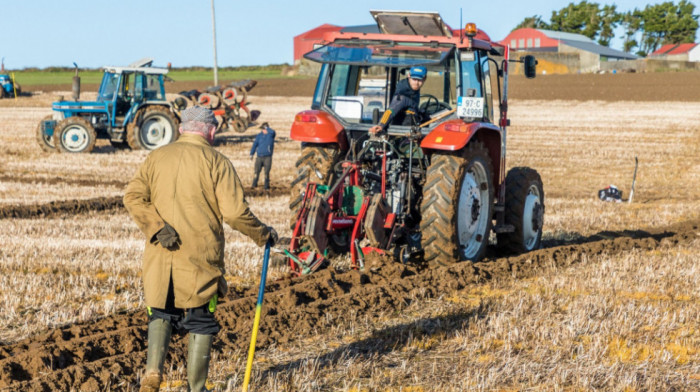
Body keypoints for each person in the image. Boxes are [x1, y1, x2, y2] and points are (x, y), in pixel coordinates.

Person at [124, 106, 278, 392]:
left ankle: (153, 373)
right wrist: (263, 234)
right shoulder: (217, 161)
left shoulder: (156, 157)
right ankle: (197, 388)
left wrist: (157, 227)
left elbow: (132, 197)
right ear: (211, 130)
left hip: (161, 254)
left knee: (160, 312)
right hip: (198, 259)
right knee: (199, 321)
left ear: (182, 128)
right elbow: (234, 214)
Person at [369, 66, 427, 135]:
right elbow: (391, 110)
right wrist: (381, 125)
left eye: (419, 80)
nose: (416, 83)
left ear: (424, 79)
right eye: (414, 79)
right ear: (409, 76)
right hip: (404, 134)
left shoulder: (414, 91)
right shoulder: (402, 95)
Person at [249, 122, 276, 190]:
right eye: (262, 129)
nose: (262, 130)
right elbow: (255, 145)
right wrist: (251, 154)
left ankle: (266, 187)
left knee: (266, 173)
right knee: (256, 172)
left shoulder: (271, 135)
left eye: (263, 129)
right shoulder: (259, 136)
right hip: (259, 157)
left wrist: (267, 128)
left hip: (267, 157)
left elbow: (273, 132)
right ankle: (254, 185)